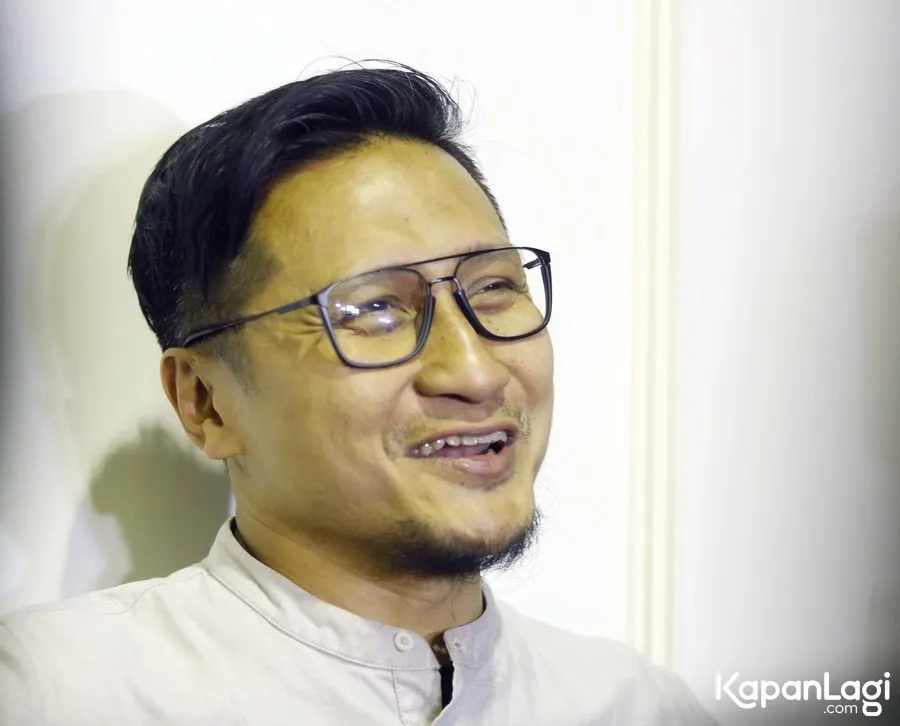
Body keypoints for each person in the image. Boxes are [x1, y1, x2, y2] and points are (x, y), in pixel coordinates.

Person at [0, 64, 713, 725]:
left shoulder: (636, 705)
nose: (475, 373)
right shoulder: (58, 692)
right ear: (205, 402)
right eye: (372, 309)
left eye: (494, 287)